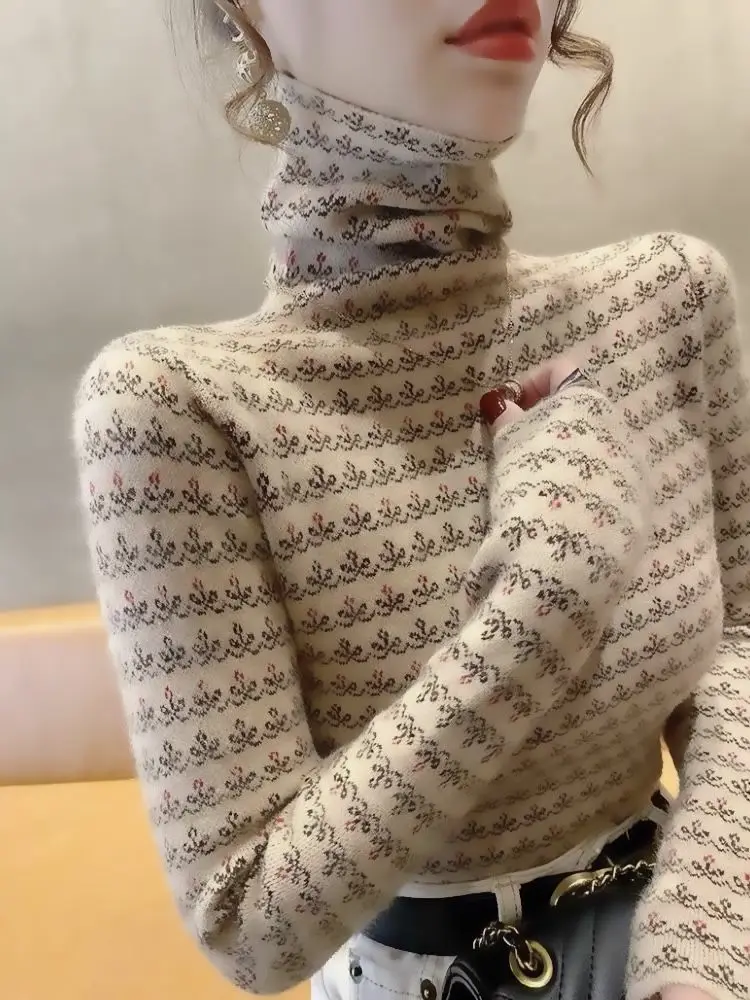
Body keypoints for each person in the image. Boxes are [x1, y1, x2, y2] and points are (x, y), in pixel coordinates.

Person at [73, 2, 749, 999]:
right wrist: (540, 610)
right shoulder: (175, 412)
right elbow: (247, 924)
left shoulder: (666, 302)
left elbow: (742, 644)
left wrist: (700, 945)